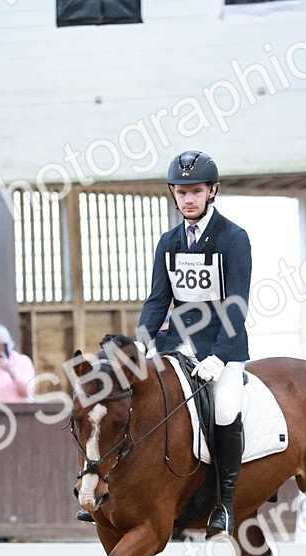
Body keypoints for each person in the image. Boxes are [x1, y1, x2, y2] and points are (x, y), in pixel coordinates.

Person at [77, 151, 251, 534]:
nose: (189, 199)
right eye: (182, 192)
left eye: (196, 191)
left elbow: (237, 305)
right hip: (175, 345)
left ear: (212, 192)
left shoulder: (233, 239)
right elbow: (158, 301)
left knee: (224, 410)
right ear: (174, 194)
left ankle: (224, 503)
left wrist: (221, 357)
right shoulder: (169, 242)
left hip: (223, 348)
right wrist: (140, 347)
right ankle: (107, 490)